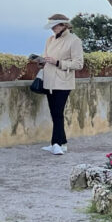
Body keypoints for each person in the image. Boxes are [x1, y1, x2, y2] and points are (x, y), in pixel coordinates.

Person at [34, 13, 84, 155]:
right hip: (49, 81)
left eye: (54, 26)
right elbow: (46, 57)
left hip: (63, 81)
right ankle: (62, 143)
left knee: (58, 112)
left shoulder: (74, 41)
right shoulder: (49, 40)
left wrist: (58, 62)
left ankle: (56, 143)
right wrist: (41, 61)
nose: (52, 29)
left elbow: (79, 64)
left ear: (63, 25)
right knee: (54, 112)